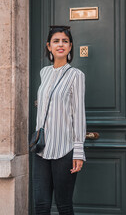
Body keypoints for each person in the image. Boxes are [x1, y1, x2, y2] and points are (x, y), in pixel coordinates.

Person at [33, 25, 86, 215]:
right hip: (42, 149)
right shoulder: (44, 73)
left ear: (70, 46)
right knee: (41, 205)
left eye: (65, 41)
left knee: (64, 205)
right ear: (49, 46)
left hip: (64, 149)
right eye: (56, 41)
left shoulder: (76, 76)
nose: (60, 45)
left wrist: (78, 151)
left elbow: (78, 113)